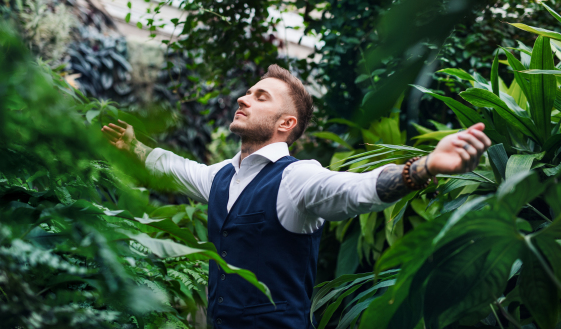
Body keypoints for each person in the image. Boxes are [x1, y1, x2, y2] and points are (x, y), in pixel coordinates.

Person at [102, 64, 491, 329]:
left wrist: (424, 167)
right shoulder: (220, 176)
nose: (243, 98)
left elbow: (356, 190)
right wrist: (136, 150)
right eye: (249, 91)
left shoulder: (298, 179)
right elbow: (174, 168)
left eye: (260, 96)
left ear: (285, 124)